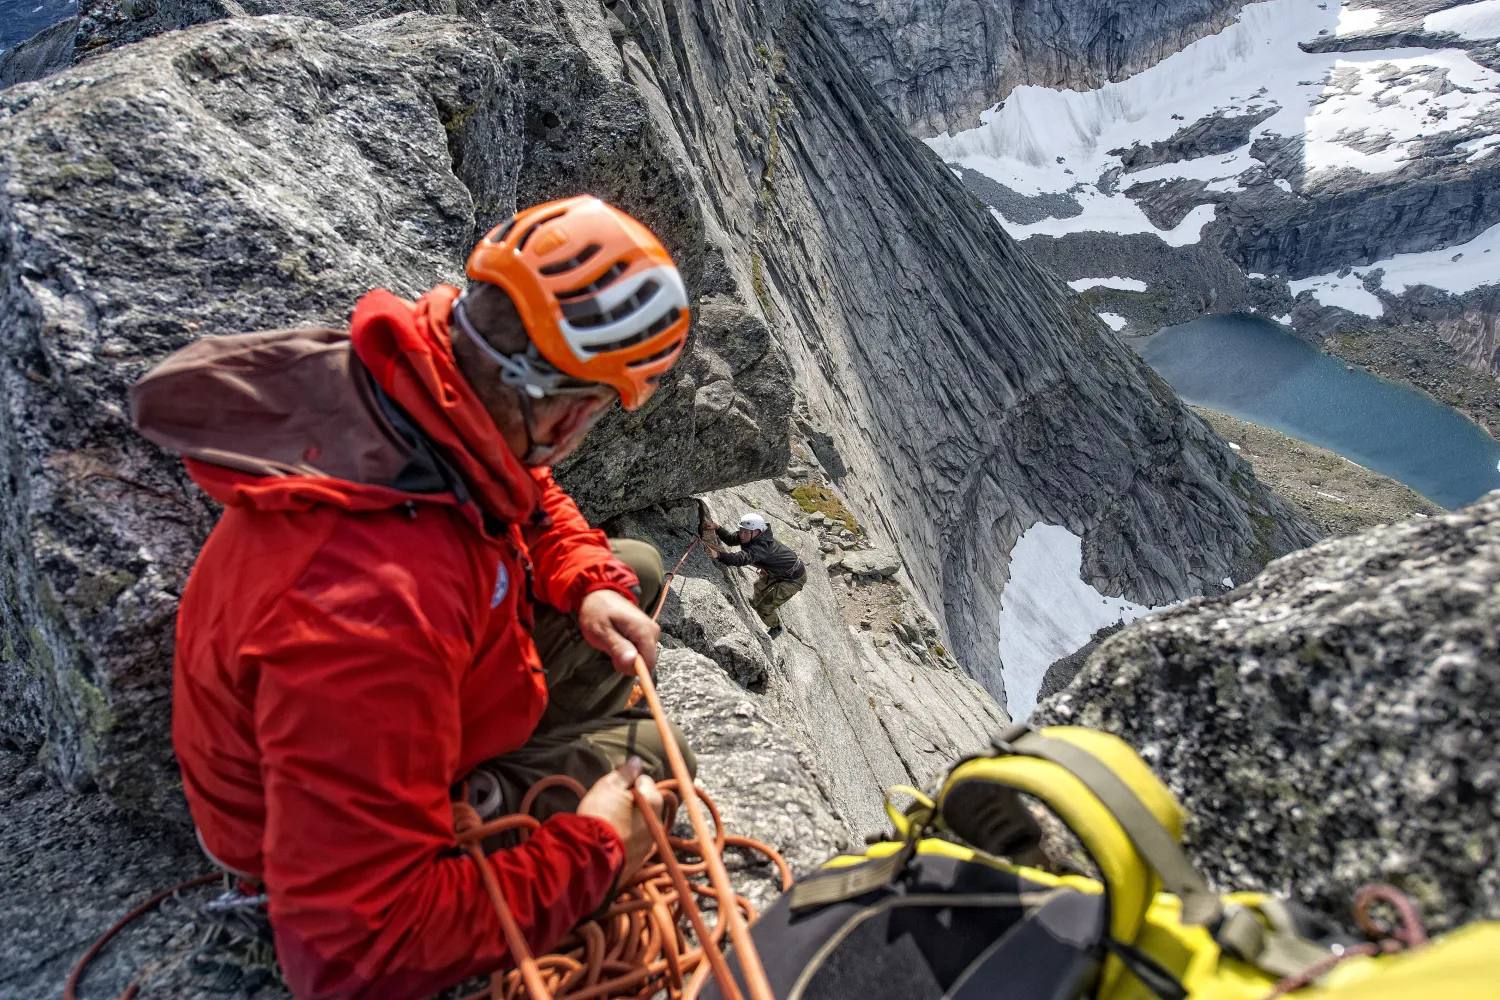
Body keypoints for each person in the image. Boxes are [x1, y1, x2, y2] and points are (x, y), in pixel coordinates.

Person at [130, 196, 697, 1000]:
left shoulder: (416, 392)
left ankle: (514, 752)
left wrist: (588, 582)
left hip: (380, 711)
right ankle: (483, 804)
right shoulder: (376, 616)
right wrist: (597, 849)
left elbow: (521, 488)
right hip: (330, 841)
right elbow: (354, 953)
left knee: (629, 569)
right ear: (572, 413)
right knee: (655, 760)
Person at [705, 512, 807, 636]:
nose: (742, 535)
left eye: (746, 532)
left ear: (757, 531)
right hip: (780, 570)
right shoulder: (750, 534)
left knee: (764, 608)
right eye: (741, 530)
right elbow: (731, 539)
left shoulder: (762, 546)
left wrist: (719, 555)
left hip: (794, 578)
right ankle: (755, 604)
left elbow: (741, 558)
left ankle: (776, 627)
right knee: (758, 586)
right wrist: (717, 528)